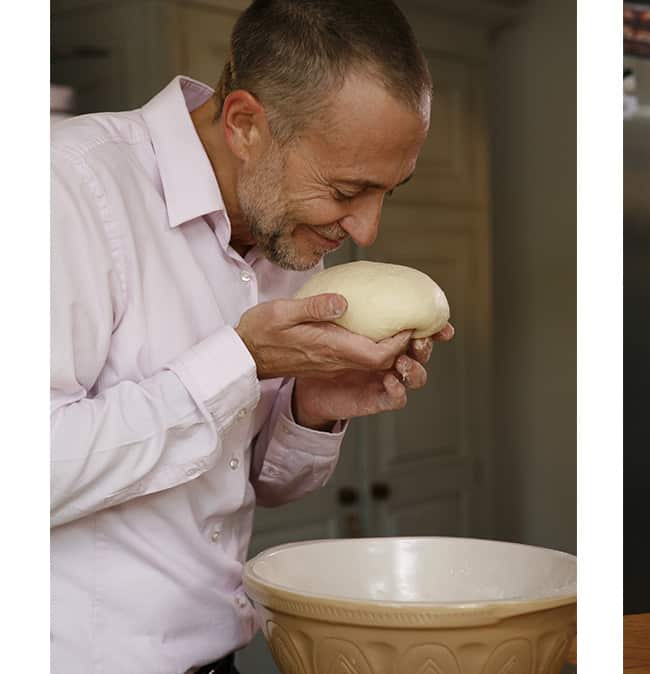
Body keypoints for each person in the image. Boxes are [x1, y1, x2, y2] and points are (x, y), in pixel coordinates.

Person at [50, 1, 453, 671]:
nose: (367, 230)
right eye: (350, 188)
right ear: (245, 125)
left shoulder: (286, 232)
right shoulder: (66, 188)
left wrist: (312, 408)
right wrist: (241, 360)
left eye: (390, 190)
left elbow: (253, 481)